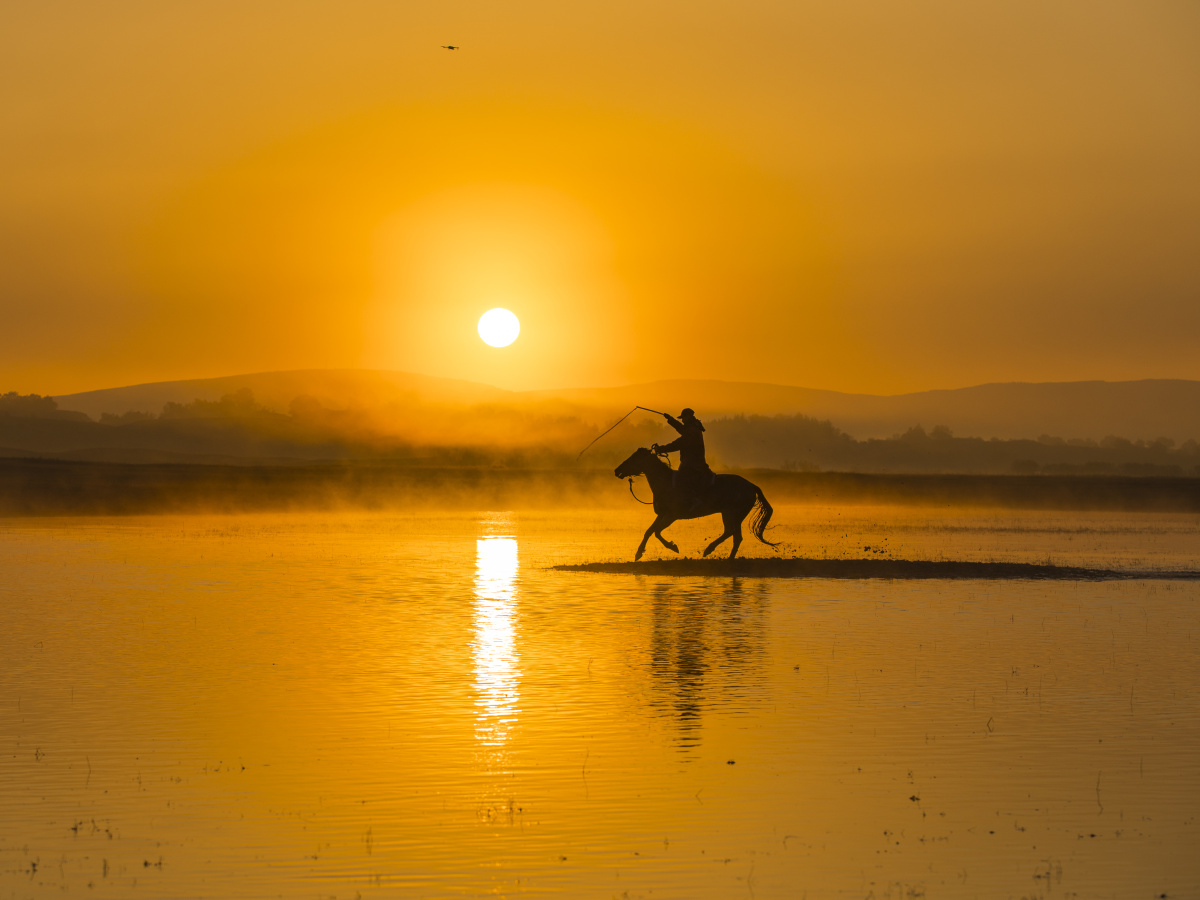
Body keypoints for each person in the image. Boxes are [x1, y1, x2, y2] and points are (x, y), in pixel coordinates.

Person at [652, 408, 714, 512]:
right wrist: (670, 419)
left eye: (683, 418)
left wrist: (661, 449)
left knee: (681, 480)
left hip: (693, 464)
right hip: (692, 463)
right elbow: (681, 429)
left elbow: (678, 444)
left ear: (688, 417)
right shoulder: (692, 427)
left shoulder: (692, 431)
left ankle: (694, 501)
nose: (682, 420)